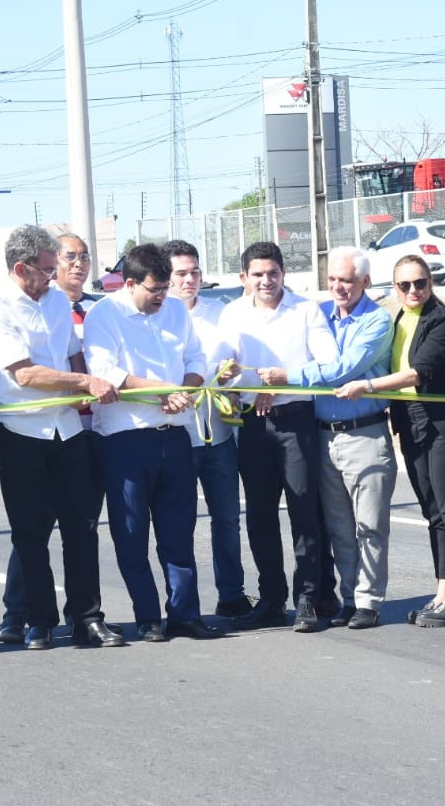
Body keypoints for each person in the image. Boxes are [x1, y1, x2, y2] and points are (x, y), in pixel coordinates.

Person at [0, 224, 122, 650]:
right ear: (21, 268)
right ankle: (37, 619)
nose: (55, 274)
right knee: (31, 531)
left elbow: (74, 355)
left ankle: (87, 617)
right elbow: (24, 373)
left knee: (82, 527)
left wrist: (86, 381)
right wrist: (84, 380)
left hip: (68, 427)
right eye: (46, 268)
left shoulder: (57, 300)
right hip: (21, 430)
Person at [336, 255, 445, 627]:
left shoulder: (442, 321)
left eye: (420, 283)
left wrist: (367, 386)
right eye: (404, 285)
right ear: (394, 287)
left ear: (430, 283)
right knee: (433, 511)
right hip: (413, 422)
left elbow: (420, 372)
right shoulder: (401, 318)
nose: (413, 291)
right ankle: (444, 589)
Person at [84, 243, 219, 642]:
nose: (163, 296)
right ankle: (148, 617)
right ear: (129, 283)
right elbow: (106, 372)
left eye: (166, 287)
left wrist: (187, 388)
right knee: (132, 533)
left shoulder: (176, 310)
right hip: (125, 440)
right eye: (155, 289)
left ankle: (184, 614)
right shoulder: (104, 314)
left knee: (178, 532)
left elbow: (197, 360)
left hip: (175, 434)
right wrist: (161, 389)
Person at [257, 246, 395, 629]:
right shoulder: (318, 315)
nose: (338, 287)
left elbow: (339, 370)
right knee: (338, 527)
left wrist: (287, 377)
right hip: (323, 437)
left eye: (346, 280)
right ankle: (350, 598)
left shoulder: (377, 321)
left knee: (370, 526)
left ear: (365, 282)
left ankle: (369, 601)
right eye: (332, 279)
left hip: (364, 434)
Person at [218, 242, 337, 632]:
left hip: (295, 419)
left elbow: (327, 362)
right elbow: (222, 367)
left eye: (272, 273)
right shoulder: (232, 313)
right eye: (257, 275)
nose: (265, 281)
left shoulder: (305, 310)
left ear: (284, 273)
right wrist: (232, 380)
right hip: (253, 423)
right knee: (260, 516)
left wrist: (283, 380)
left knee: (305, 512)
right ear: (244, 279)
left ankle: (309, 599)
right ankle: (271, 599)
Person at [163, 240, 252, 618]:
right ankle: (185, 606)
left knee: (228, 519)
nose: (189, 279)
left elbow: (238, 364)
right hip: (180, 436)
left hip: (220, 434)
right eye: (180, 273)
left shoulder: (222, 313)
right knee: (180, 524)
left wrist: (232, 383)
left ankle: (231, 595)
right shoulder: (160, 316)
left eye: (194, 271)